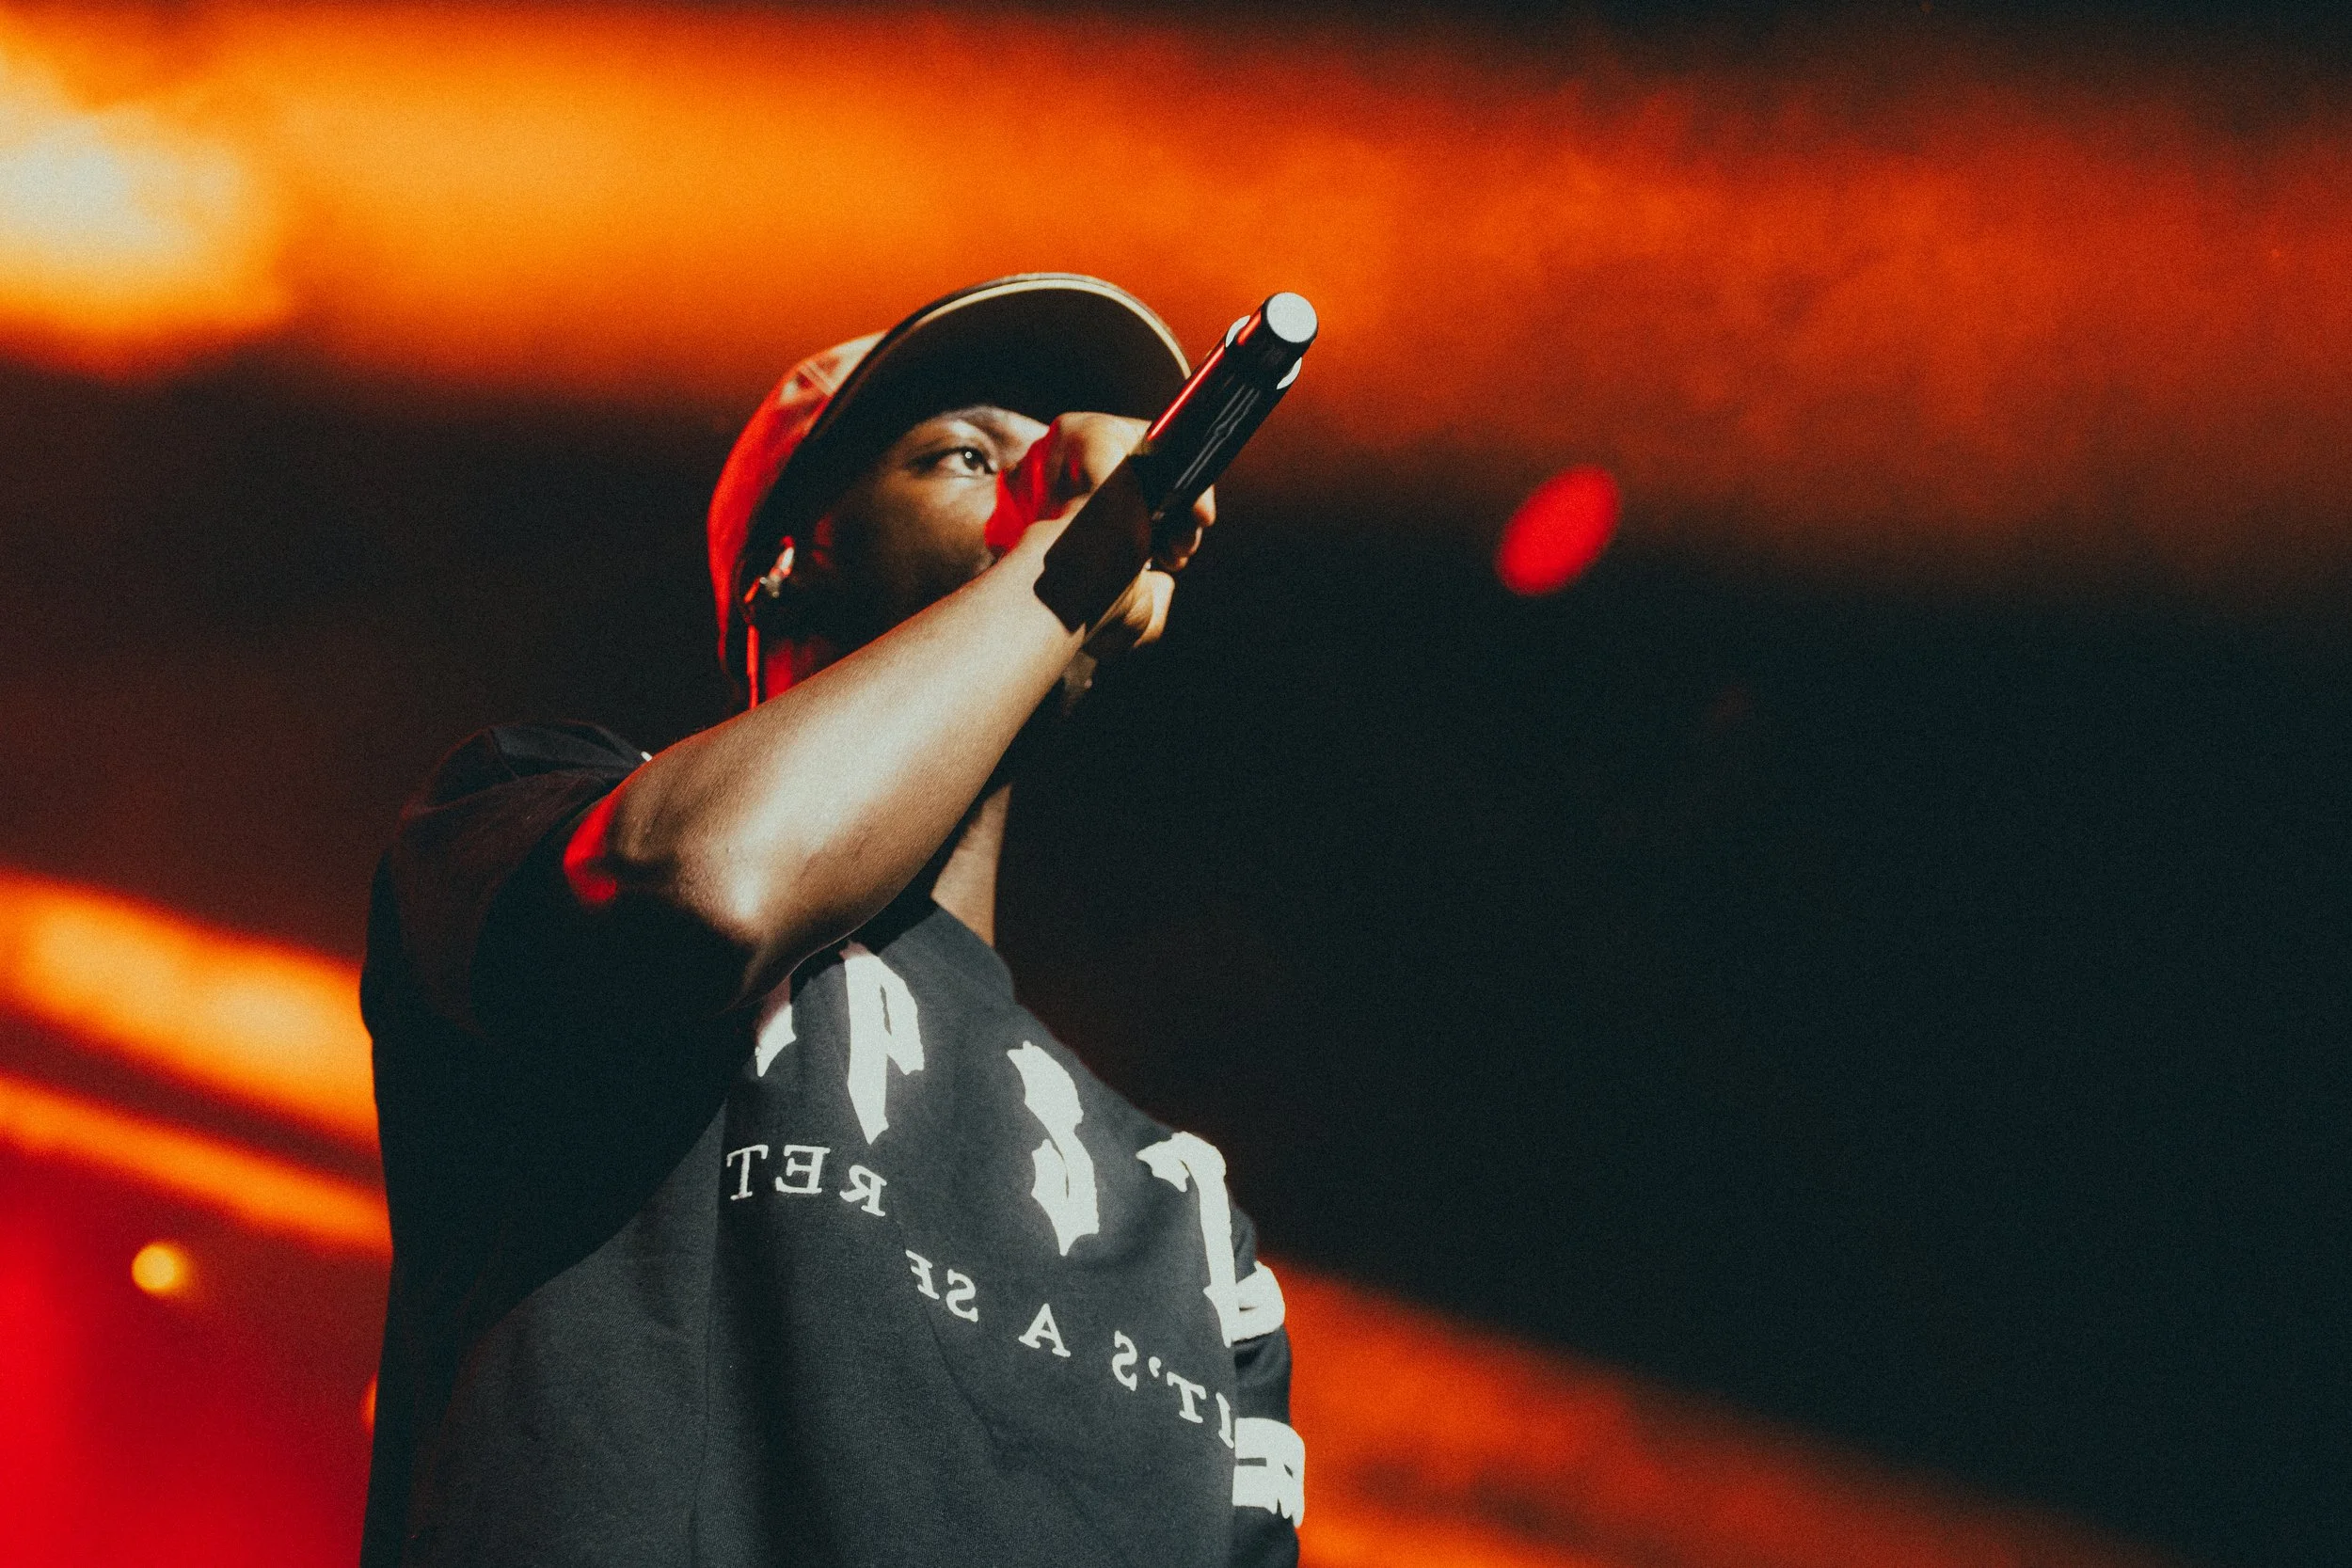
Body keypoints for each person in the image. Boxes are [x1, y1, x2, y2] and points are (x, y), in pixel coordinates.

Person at [358, 274, 1303, 1568]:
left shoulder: (1179, 1213)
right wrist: (1063, 566)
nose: (1042, 490)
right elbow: (711, 890)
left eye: (1059, 475)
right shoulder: (531, 810)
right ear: (787, 564)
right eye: (971, 457)